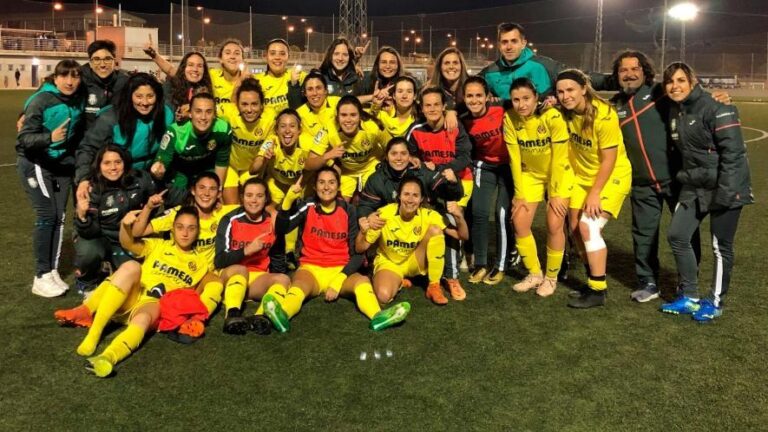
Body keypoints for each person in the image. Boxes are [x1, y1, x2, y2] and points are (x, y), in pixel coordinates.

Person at [55, 205, 223, 378]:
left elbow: (213, 286)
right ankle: (94, 332)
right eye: (180, 227)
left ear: (197, 232)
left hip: (151, 305)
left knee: (144, 317)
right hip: (127, 296)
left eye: (191, 228)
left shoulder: (201, 263)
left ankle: (107, 357)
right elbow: (128, 243)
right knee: (131, 267)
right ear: (173, 228)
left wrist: (197, 318)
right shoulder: (158, 245)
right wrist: (125, 226)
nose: (185, 233)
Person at [592, 51, 704, 302]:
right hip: (642, 184)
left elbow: (690, 95)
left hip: (676, 179)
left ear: (645, 71)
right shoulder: (614, 107)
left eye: (635, 69)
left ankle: (688, 282)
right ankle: (648, 281)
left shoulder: (659, 93)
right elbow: (585, 91)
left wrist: (715, 97)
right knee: (643, 235)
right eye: (623, 70)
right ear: (616, 75)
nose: (629, 74)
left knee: (686, 233)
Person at [261, 167, 410, 332]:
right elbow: (282, 229)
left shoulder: (348, 210)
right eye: (321, 182)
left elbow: (358, 254)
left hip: (340, 269)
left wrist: (339, 280)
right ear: (315, 186)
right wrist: (287, 202)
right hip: (311, 268)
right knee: (299, 286)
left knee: (362, 282)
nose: (326, 187)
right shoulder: (308, 205)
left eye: (331, 182)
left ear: (338, 186)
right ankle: (282, 315)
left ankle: (378, 317)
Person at [660, 62, 753, 322]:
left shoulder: (717, 107)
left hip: (725, 185)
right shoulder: (675, 109)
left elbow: (734, 154)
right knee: (677, 235)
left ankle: (715, 301)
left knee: (720, 246)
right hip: (694, 184)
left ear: (693, 82)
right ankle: (690, 297)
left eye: (681, 80)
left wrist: (728, 192)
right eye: (670, 81)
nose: (675, 86)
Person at [555, 69, 632, 308]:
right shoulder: (565, 112)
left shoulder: (604, 115)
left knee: (588, 226)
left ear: (583, 89)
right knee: (575, 228)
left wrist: (595, 193)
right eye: (560, 92)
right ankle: (592, 280)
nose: (565, 96)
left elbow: (609, 159)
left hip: (611, 176)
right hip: (582, 177)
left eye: (570, 90)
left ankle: (598, 290)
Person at [16, 59, 84, 297]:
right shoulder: (41, 100)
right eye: (64, 76)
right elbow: (24, 138)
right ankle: (41, 274)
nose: (70, 81)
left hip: (60, 166)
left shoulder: (78, 98)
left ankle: (51, 271)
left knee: (60, 217)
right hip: (36, 163)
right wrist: (49, 137)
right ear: (55, 78)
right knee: (47, 215)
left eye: (75, 76)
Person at [504, 77, 572, 296]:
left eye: (526, 98)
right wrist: (519, 194)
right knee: (519, 221)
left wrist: (555, 193)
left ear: (536, 97)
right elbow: (514, 158)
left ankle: (551, 278)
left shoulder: (552, 116)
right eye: (516, 100)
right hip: (530, 175)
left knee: (554, 223)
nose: (521, 104)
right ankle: (535, 274)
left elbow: (560, 158)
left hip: (558, 174)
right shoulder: (509, 118)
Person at [357, 176, 468, 306]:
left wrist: (459, 217)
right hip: (389, 263)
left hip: (415, 261)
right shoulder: (384, 214)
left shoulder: (428, 215)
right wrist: (362, 231)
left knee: (435, 230)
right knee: (383, 296)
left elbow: (462, 236)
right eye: (406, 194)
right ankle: (398, 280)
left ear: (421, 199)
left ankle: (434, 285)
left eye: (415, 195)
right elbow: (360, 248)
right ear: (399, 196)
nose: (410, 200)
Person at [406, 87, 473, 300]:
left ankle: (452, 277)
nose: (432, 109)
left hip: (457, 181)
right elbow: (408, 154)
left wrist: (442, 168)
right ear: (421, 108)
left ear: (444, 106)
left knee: (452, 221)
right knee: (425, 221)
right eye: (428, 105)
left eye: (437, 104)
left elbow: (465, 156)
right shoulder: (416, 129)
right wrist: (415, 160)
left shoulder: (454, 125)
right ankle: (416, 269)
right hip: (431, 183)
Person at [75, 73, 173, 201]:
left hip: (149, 179)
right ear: (129, 96)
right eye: (138, 96)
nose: (144, 102)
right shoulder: (110, 118)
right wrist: (84, 179)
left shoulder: (167, 113)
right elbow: (88, 148)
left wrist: (161, 161)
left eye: (150, 96)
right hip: (117, 178)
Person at [73, 145, 155, 293]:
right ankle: (87, 281)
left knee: (137, 276)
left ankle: (109, 265)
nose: (113, 168)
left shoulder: (141, 179)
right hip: (100, 236)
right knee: (89, 252)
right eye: (107, 163)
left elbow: (154, 204)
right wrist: (82, 216)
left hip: (128, 238)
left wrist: (142, 222)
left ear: (125, 163)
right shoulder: (91, 188)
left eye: (118, 162)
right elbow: (90, 232)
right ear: (99, 165)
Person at [214, 178, 290, 335]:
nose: (254, 200)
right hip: (231, 275)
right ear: (242, 198)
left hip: (256, 279)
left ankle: (261, 317)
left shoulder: (271, 222)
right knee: (241, 269)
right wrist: (246, 251)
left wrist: (276, 277)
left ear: (266, 198)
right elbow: (220, 260)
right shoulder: (230, 220)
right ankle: (232, 314)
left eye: (259, 196)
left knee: (284, 279)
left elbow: (277, 255)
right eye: (249, 195)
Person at [134, 172, 239, 272]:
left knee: (236, 272)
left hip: (210, 273)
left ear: (219, 194)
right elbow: (137, 232)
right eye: (201, 188)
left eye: (212, 189)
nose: (206, 193)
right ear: (193, 190)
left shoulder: (224, 213)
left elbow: (247, 208)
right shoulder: (178, 214)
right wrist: (148, 208)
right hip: (181, 271)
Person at [151, 92, 232, 206]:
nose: (203, 117)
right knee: (176, 201)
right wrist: (158, 169)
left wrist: (218, 190)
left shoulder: (223, 129)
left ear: (215, 114)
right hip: (181, 170)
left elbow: (221, 162)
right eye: (198, 111)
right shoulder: (176, 131)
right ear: (190, 113)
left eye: (209, 112)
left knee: (211, 201)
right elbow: (162, 160)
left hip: (206, 168)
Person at [305, 95, 391, 200]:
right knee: (339, 204)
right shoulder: (329, 128)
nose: (348, 120)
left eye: (353, 115)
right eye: (343, 115)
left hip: (371, 166)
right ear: (337, 116)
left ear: (360, 116)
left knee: (374, 199)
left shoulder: (372, 127)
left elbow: (392, 147)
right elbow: (308, 164)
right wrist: (327, 156)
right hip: (347, 171)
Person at [357, 137, 464, 221]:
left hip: (421, 221)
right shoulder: (377, 179)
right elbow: (365, 206)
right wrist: (368, 216)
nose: (399, 158)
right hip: (391, 225)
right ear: (386, 156)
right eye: (394, 154)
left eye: (403, 154)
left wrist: (453, 183)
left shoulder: (422, 172)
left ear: (410, 156)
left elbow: (453, 195)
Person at [218, 78, 276, 204]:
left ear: (262, 105)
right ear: (237, 105)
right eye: (244, 104)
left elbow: (263, 155)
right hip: (230, 166)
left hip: (251, 168)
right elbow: (206, 109)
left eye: (254, 104)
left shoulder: (271, 118)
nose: (249, 110)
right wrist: (188, 110)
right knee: (232, 206)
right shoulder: (227, 111)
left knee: (251, 204)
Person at [479, 22, 563, 99]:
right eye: (504, 42)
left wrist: (555, 98)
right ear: (499, 45)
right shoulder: (489, 73)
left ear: (523, 44)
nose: (509, 47)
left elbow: (570, 82)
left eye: (514, 41)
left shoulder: (545, 65)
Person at [80, 40, 129, 128]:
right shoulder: (79, 81)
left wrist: (154, 58)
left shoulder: (125, 82)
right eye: (96, 59)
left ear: (114, 61)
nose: (102, 65)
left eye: (107, 59)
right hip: (88, 136)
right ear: (90, 63)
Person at [256, 38, 306, 112]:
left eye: (282, 54)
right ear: (266, 56)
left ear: (288, 57)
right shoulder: (256, 80)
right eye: (272, 53)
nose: (277, 57)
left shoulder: (299, 76)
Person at [163, 51, 212, 123]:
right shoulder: (170, 87)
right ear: (184, 68)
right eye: (190, 65)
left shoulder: (208, 90)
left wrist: (190, 113)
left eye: (199, 66)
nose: (195, 69)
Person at [295, 70, 341, 141]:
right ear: (305, 93)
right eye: (310, 89)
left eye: (318, 88)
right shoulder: (300, 114)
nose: (315, 93)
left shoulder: (338, 103)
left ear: (325, 90)